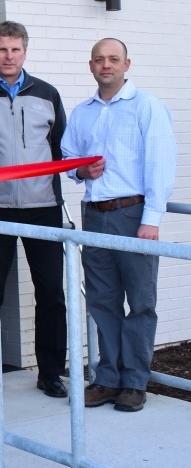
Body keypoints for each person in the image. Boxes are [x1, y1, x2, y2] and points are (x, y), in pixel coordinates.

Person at [62, 38, 175, 413]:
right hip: (95, 214)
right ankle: (108, 378)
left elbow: (160, 164)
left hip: (134, 215)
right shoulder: (82, 113)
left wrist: (152, 220)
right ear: (90, 66)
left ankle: (135, 383)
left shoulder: (147, 108)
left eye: (113, 59)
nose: (106, 65)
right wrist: (80, 170)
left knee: (141, 302)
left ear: (127, 64)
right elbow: (68, 157)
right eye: (99, 59)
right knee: (102, 301)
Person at [0, 21, 69, 398]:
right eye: (2, 50)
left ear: (25, 52)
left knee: (52, 291)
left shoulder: (48, 94)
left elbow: (59, 150)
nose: (9, 56)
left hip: (44, 207)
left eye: (15, 49)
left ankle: (51, 372)